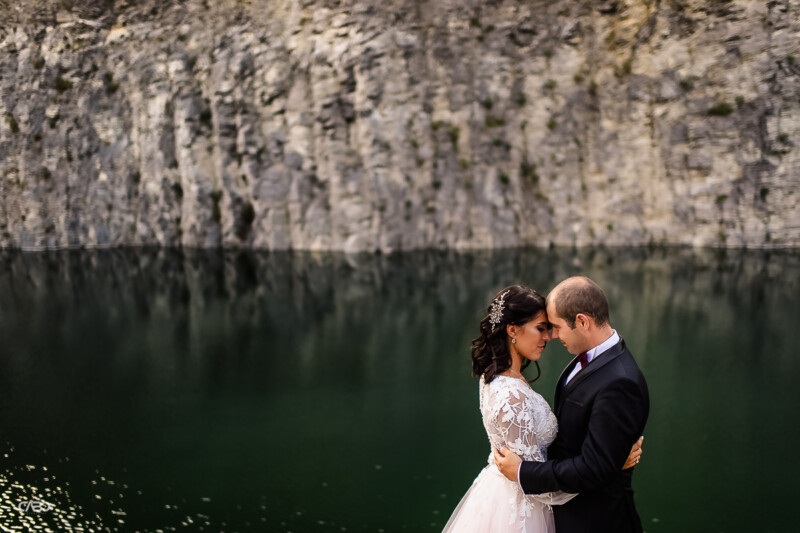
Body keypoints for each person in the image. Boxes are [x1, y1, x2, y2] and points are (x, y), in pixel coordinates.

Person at [443, 285, 642, 533]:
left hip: (581, 513)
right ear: (513, 330)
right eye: (542, 328)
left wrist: (607, 459)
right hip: (521, 510)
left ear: (582, 322)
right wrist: (610, 464)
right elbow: (542, 481)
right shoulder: (510, 394)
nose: (550, 336)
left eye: (553, 327)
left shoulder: (497, 377)